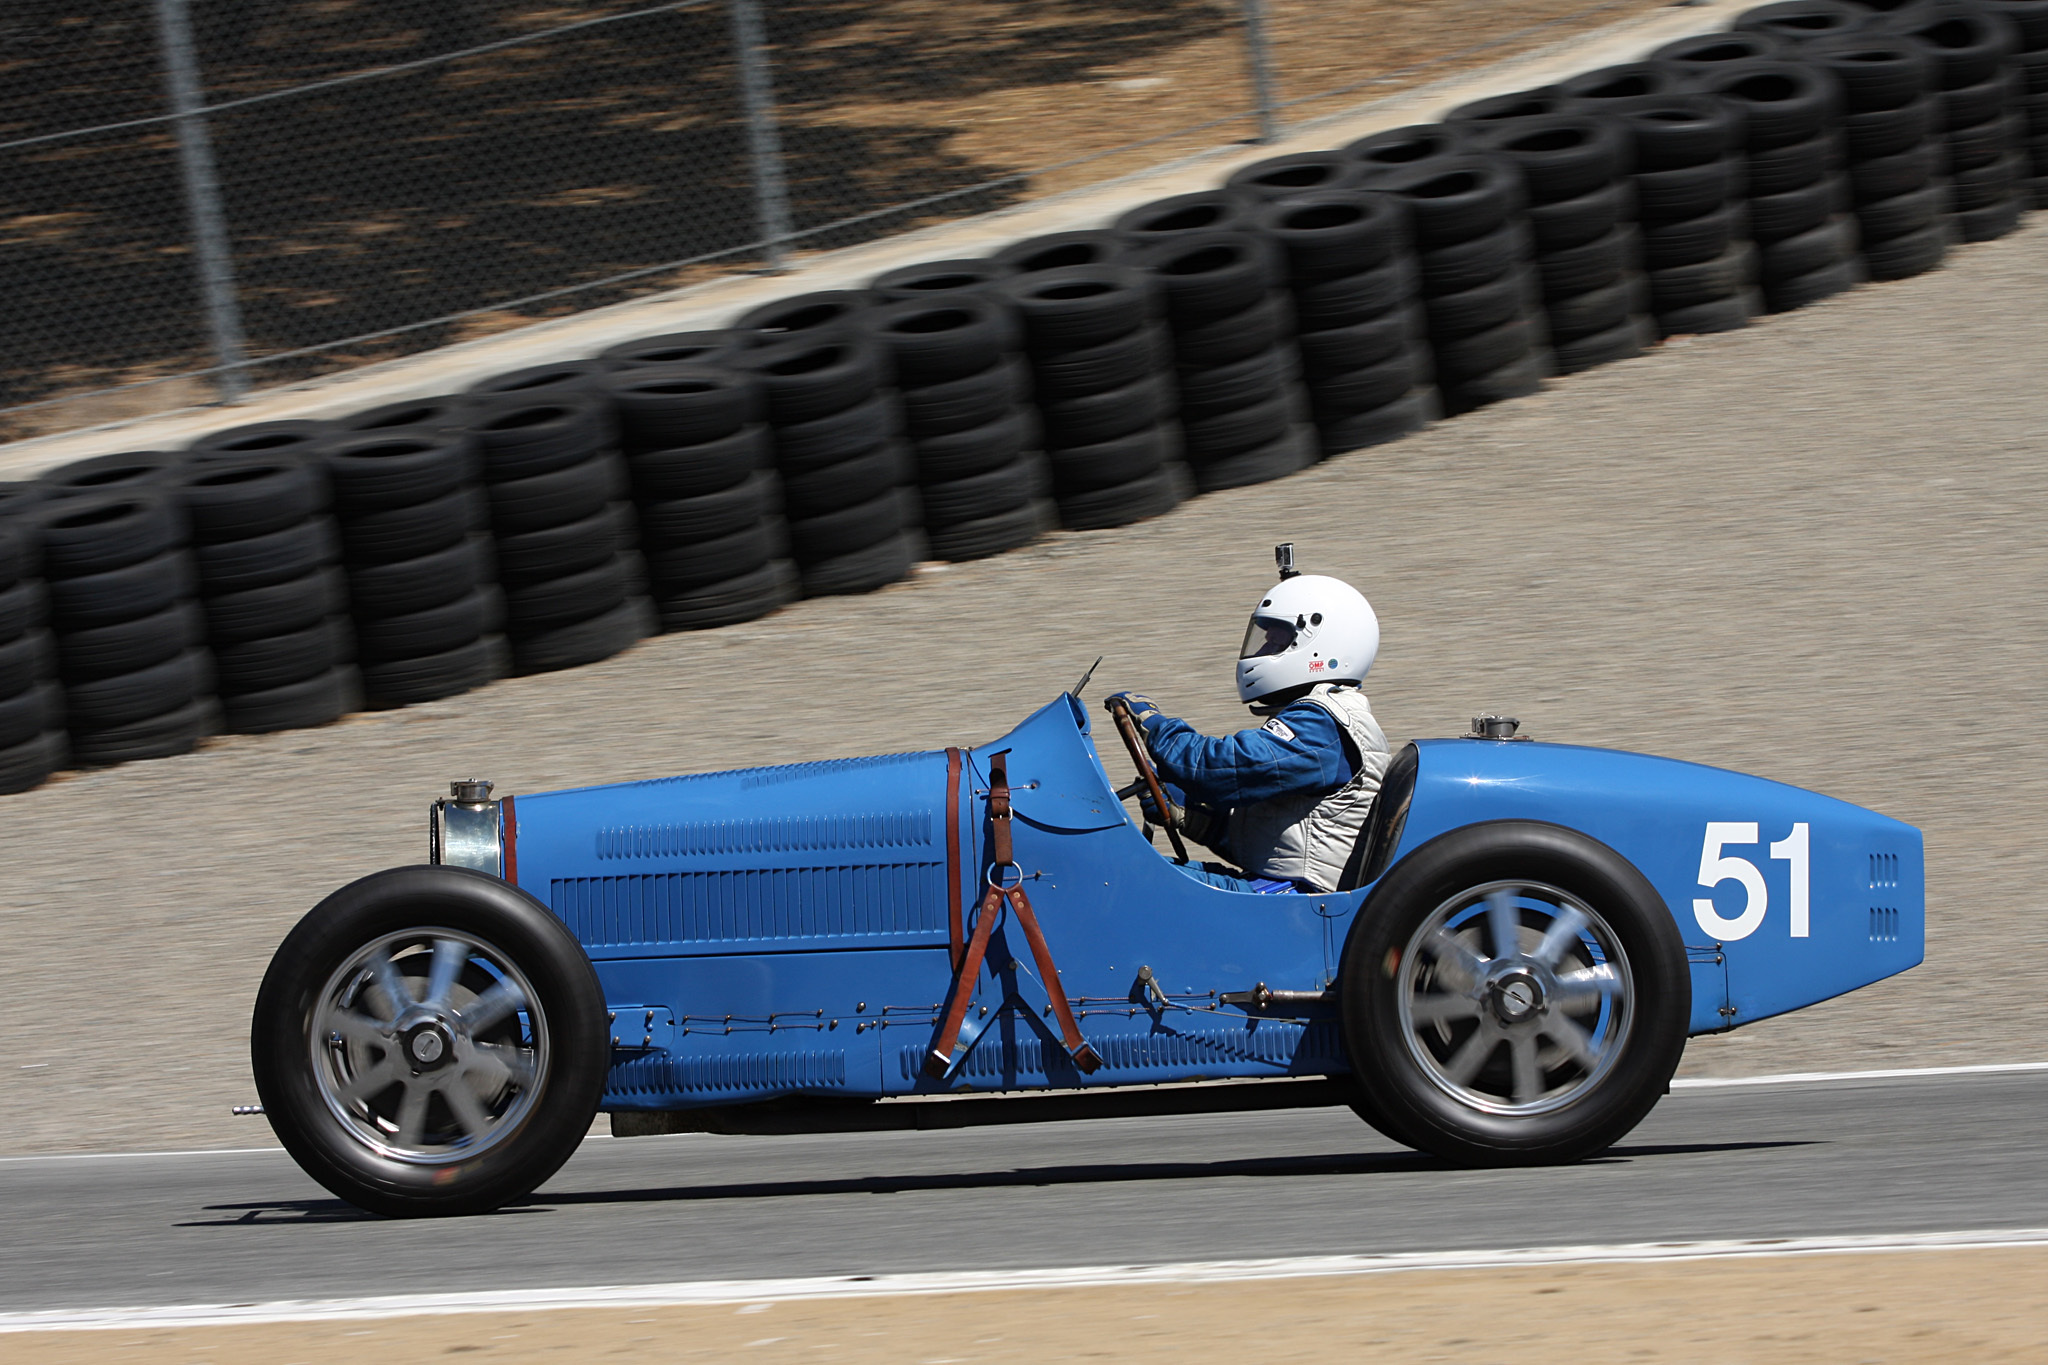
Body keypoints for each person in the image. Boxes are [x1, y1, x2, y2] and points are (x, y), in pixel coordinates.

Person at [1106, 551, 1391, 895]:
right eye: (1265, 637)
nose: (1264, 647)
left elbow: (1222, 767)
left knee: (1124, 883)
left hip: (1297, 904)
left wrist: (1159, 729)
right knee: (1118, 869)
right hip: (1277, 889)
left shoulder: (1323, 726)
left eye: (1277, 639)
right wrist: (1196, 819)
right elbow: (1278, 844)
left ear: (1319, 644)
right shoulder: (1322, 719)